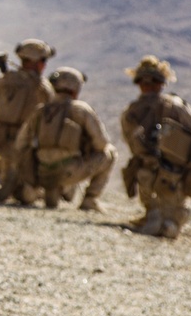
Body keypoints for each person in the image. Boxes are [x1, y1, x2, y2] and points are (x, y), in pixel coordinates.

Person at [120, 56, 191, 238]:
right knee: (173, 220)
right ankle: (161, 223)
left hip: (154, 180)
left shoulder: (132, 112)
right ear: (162, 82)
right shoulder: (175, 107)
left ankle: (157, 220)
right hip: (173, 181)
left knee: (164, 219)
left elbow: (132, 143)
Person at [14, 67, 115, 211]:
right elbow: (101, 144)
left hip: (41, 171)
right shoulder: (81, 110)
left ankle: (45, 189)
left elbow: (20, 143)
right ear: (76, 89)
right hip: (69, 172)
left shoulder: (40, 110)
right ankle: (90, 199)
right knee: (110, 153)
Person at [0, 38, 55, 202]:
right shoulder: (44, 88)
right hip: (26, 144)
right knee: (27, 191)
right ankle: (1, 182)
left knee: (5, 172)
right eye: (44, 60)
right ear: (37, 62)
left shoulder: (3, 80)